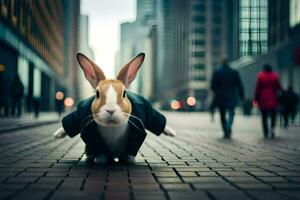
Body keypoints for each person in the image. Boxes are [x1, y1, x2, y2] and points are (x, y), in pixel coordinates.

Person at [211, 59, 244, 139]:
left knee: (222, 115)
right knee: (231, 113)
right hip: (232, 96)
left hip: (220, 97)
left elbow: (212, 85)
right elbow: (239, 85)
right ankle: (228, 127)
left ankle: (226, 130)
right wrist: (241, 96)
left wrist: (217, 92)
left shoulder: (217, 72)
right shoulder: (234, 72)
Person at [254, 64, 282, 138]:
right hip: (273, 98)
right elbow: (279, 87)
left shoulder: (260, 76)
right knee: (273, 115)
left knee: (264, 116)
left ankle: (265, 131)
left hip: (263, 99)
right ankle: (272, 129)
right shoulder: (275, 76)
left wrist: (256, 98)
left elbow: (257, 88)